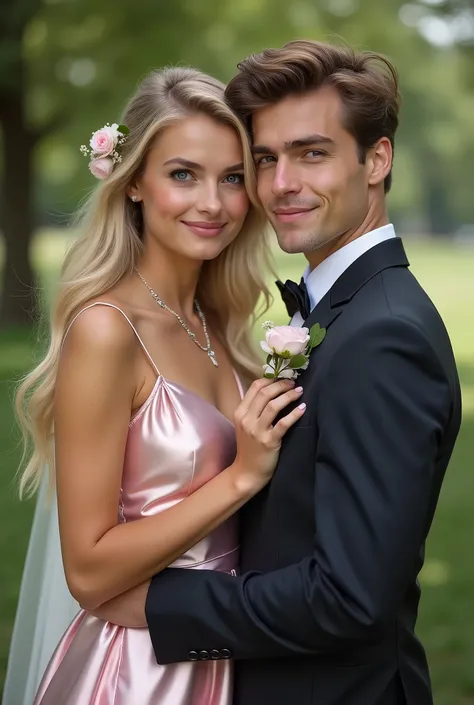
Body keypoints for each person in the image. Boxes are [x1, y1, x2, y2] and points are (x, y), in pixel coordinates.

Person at [95, 40, 462, 705]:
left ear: (376, 159)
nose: (281, 185)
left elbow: (349, 598)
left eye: (311, 153)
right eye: (264, 160)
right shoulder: (340, 312)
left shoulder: (383, 336)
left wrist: (163, 604)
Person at [4, 66, 307, 705]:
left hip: (230, 651)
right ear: (134, 181)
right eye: (182, 174)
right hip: (140, 669)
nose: (212, 203)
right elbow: (87, 571)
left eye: (232, 178)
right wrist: (242, 478)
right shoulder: (108, 332)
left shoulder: (224, 326)